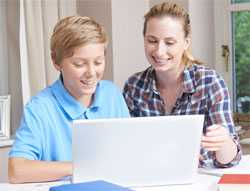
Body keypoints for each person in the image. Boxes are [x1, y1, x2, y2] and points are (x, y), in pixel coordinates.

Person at [9, 16, 129, 183]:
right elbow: (17, 170)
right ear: (56, 61)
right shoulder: (40, 108)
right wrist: (84, 167)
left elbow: (129, 152)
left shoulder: (112, 95)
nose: (91, 72)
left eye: (98, 62)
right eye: (79, 64)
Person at [123, 2, 241, 168]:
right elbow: (127, 149)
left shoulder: (209, 82)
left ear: (186, 43)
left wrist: (224, 141)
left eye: (169, 42)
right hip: (151, 178)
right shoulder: (134, 86)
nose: (159, 51)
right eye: (152, 40)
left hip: (199, 180)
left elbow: (228, 160)